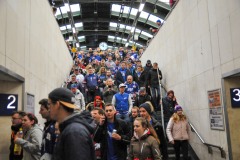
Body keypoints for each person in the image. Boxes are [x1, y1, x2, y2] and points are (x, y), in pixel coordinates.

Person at [48, 87, 95, 160]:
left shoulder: (74, 132)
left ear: (57, 104)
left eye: (49, 104)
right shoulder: (71, 129)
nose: (49, 109)